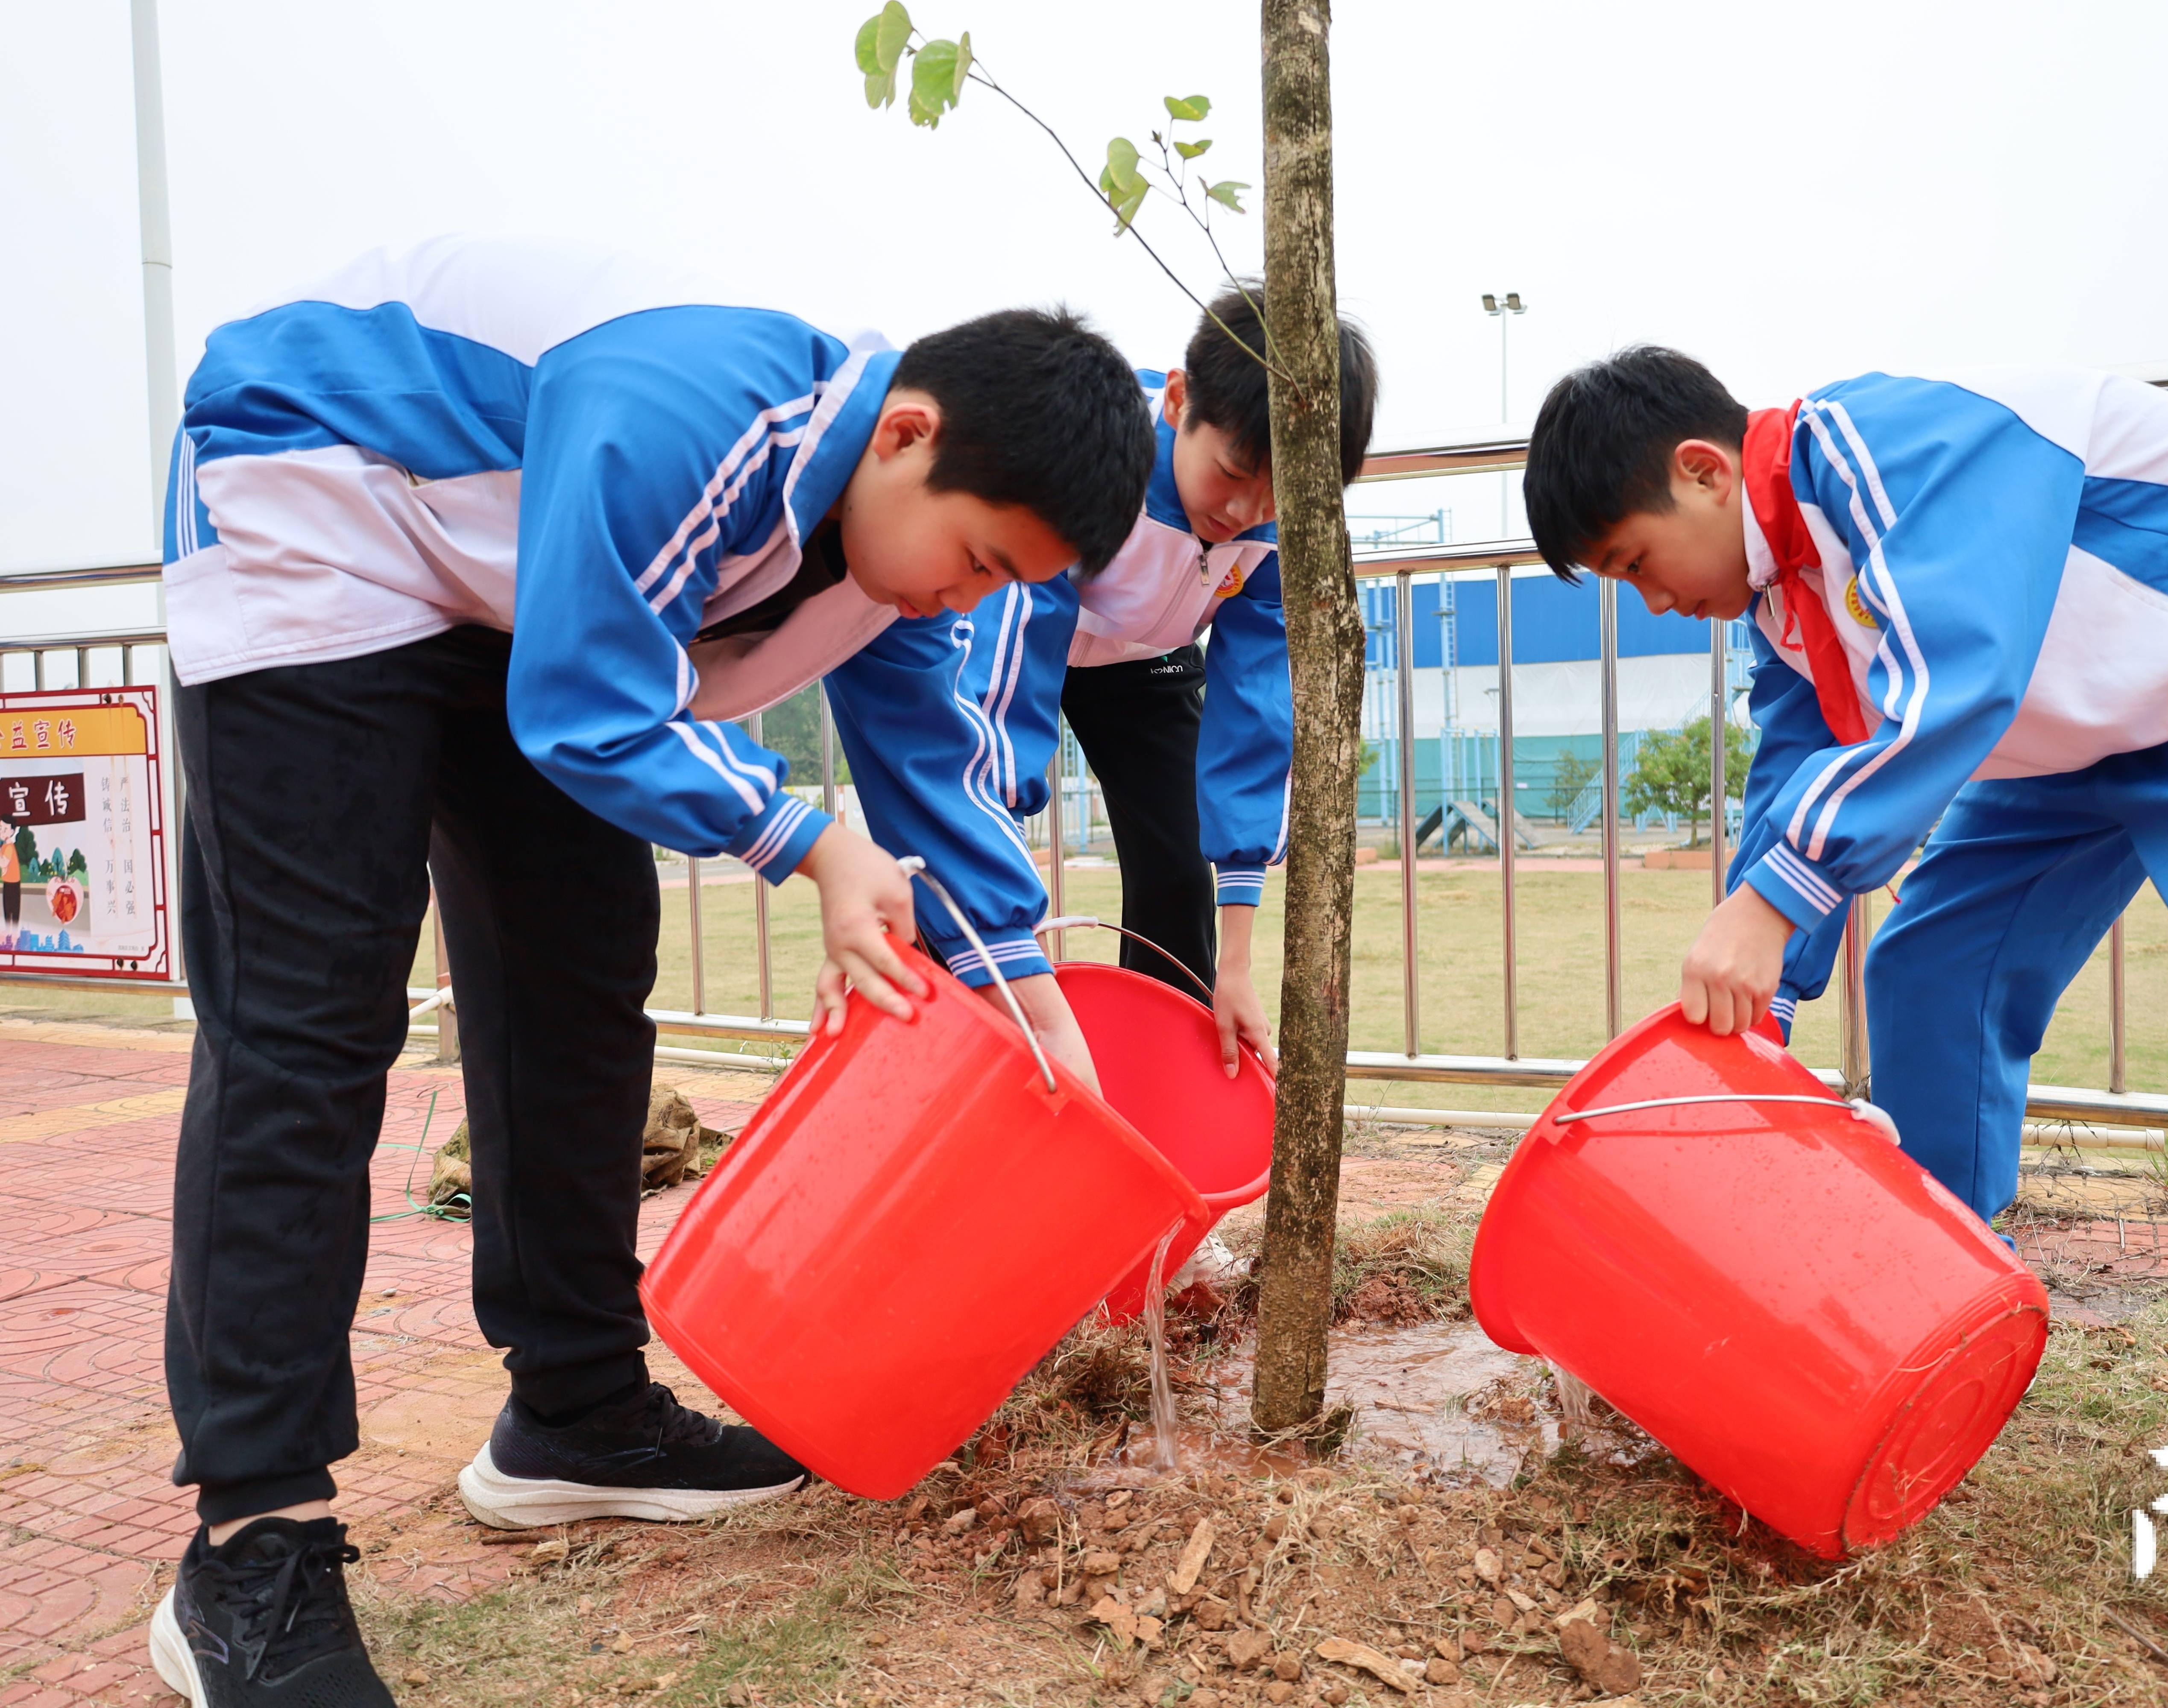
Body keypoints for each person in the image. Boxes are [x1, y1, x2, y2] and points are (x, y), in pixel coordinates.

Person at [149, 235, 1153, 1708]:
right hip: (324, 507)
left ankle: (574, 1412)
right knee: (309, 1024)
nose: (964, 603)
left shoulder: (887, 551)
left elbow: (932, 761)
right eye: (984, 562)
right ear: (909, 434)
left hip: (514, 605)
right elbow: (585, 699)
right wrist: (808, 844)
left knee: (579, 989)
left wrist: (1035, 998)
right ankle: (250, 1542)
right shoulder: (691, 404)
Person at [1523, 348, 2168, 1708]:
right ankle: (1918, 1347)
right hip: (2069, 746)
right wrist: (1759, 1003)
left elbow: (1961, 666)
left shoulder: (1872, 445)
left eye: (1634, 559)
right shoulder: (1783, 599)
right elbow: (1801, 769)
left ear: (1704, 472)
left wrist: (1776, 900)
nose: (1656, 600)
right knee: (1931, 977)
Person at [828, 289, 1377, 1076]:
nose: (1246, 510)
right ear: (1180, 400)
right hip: (1032, 629)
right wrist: (988, 841)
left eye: (1279, 494)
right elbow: (997, 699)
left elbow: (1255, 715)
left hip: (1145, 665)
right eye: (1231, 473)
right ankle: (970, 1050)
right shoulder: (1091, 465)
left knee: (1181, 860)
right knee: (963, 834)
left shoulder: (1276, 530)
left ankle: (1164, 1080)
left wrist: (1236, 966)